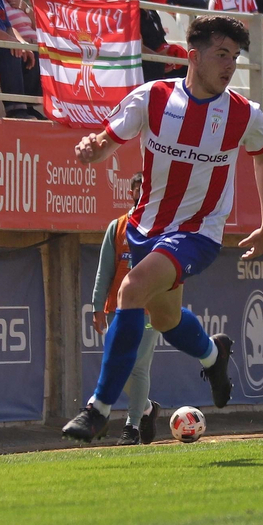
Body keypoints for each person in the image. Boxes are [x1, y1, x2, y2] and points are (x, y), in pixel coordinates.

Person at [61, 16, 263, 442]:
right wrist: (91, 150)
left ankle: (98, 409)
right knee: (164, 318)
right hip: (146, 228)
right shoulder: (153, 97)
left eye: (235, 57)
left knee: (131, 291)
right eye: (221, 54)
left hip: (199, 232)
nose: (230, 65)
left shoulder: (244, 113)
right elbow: (107, 142)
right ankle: (214, 355)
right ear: (193, 57)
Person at [90, 178, 163, 445]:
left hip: (148, 310)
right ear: (131, 192)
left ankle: (131, 427)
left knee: (138, 365)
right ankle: (147, 409)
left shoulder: (162, 227)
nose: (144, 192)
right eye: (140, 188)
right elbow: (105, 270)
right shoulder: (117, 227)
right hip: (118, 309)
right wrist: (97, 306)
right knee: (118, 366)